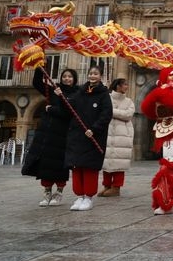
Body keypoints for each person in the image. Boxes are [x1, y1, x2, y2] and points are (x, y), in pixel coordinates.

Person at [58, 65, 112, 212]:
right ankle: (79, 195)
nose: (92, 76)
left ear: (100, 76)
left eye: (96, 73)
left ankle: (88, 197)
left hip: (93, 136)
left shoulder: (103, 94)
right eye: (91, 73)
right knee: (76, 166)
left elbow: (106, 114)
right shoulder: (80, 91)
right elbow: (70, 107)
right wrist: (61, 96)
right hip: (77, 134)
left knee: (89, 167)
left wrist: (94, 129)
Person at [21, 68, 77, 207]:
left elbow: (69, 112)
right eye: (64, 76)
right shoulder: (53, 90)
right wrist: (40, 66)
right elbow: (37, 83)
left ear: (74, 79)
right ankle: (46, 192)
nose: (67, 79)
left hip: (63, 134)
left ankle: (58, 192)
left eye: (70, 76)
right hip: (47, 133)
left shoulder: (77, 93)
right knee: (45, 164)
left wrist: (51, 109)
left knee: (59, 165)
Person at [99, 78, 135, 197]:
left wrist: (111, 111)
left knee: (119, 163)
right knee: (107, 160)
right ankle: (107, 185)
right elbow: (102, 111)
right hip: (108, 132)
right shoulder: (107, 98)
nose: (127, 86)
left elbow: (128, 115)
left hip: (122, 135)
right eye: (125, 84)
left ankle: (116, 187)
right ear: (118, 86)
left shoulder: (129, 101)